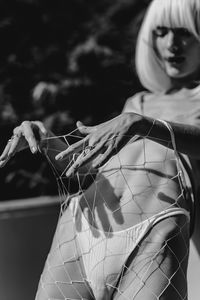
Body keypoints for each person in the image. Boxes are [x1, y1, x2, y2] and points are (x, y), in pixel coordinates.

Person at [1, 0, 200, 299]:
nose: (171, 44)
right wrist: (46, 143)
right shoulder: (137, 103)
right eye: (161, 32)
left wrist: (143, 124)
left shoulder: (140, 116)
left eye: (184, 32)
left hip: (154, 234)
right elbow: (89, 174)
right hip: (81, 229)